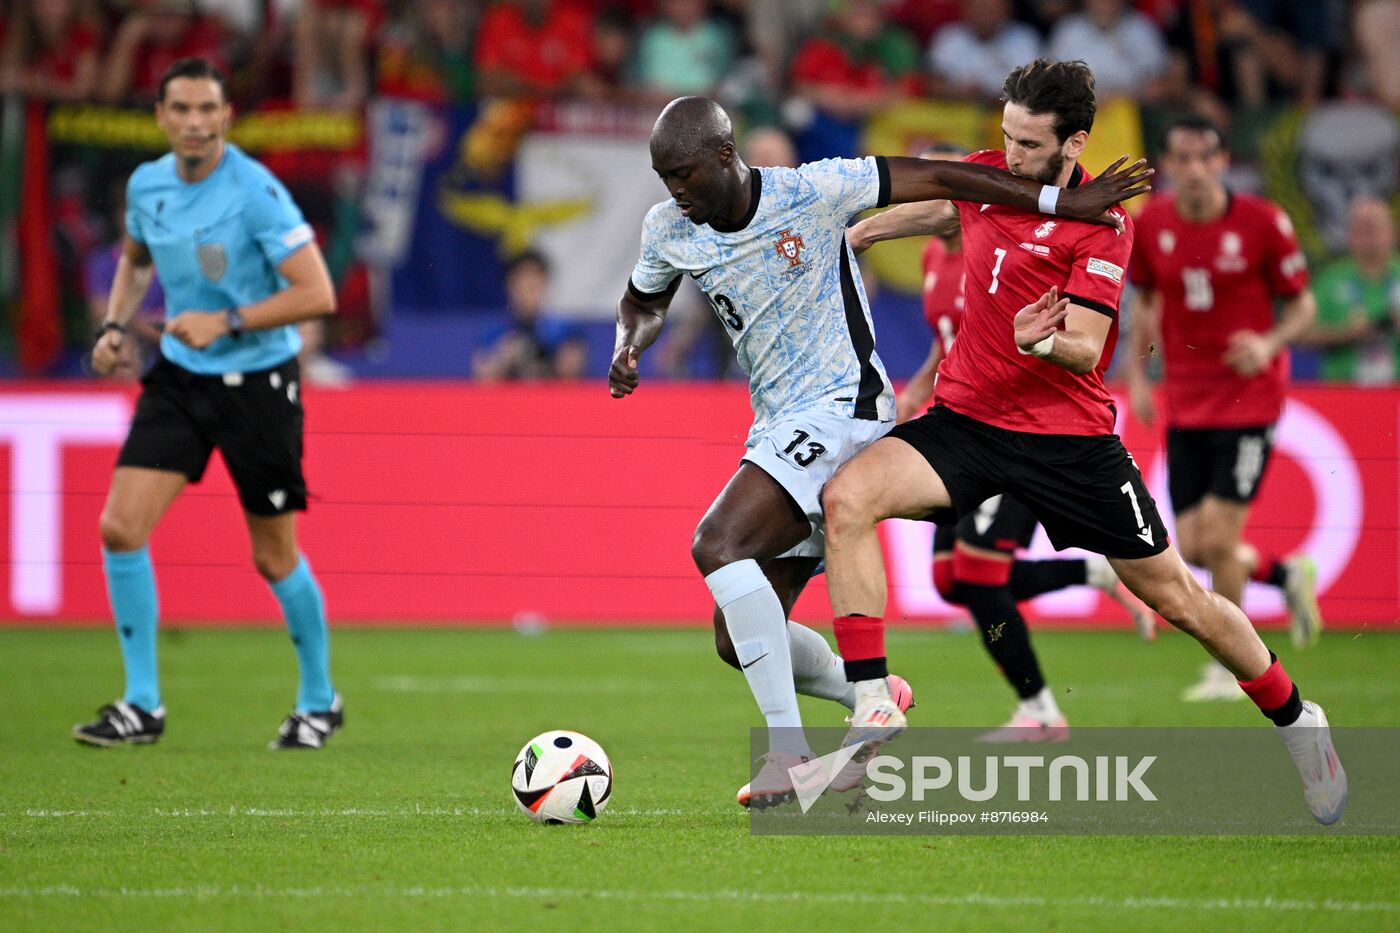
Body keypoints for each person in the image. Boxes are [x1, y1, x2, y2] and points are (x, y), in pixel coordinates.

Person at [819, 60, 1345, 826]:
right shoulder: (993, 173)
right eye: (1004, 135)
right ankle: (871, 704)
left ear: (1075, 144)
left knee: (1184, 601)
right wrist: (860, 231)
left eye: (1028, 144)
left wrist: (1043, 342)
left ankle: (1301, 722)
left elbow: (1087, 342)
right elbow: (945, 208)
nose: (1010, 154)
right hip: (967, 423)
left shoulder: (1105, 224)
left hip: (1068, 442)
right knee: (846, 497)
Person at [610, 94, 1150, 808]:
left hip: (845, 407)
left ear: (722, 156)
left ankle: (786, 751)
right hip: (778, 426)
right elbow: (644, 300)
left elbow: (948, 178)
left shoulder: (813, 190)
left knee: (718, 545)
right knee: (737, 636)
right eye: (663, 178)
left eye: (683, 174)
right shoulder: (668, 228)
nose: (674, 191)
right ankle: (871, 694)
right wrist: (629, 345)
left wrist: (1063, 202)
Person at [73, 58, 343, 751]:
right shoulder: (147, 185)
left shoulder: (255, 191)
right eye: (181, 110)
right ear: (161, 117)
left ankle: (319, 698)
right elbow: (135, 260)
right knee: (119, 527)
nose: (194, 122)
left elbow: (318, 293)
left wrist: (226, 321)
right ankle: (142, 703)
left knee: (273, 555)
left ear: (225, 117)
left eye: (207, 110)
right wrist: (112, 325)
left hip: (259, 381)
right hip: (183, 378)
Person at [847, 142, 1152, 744]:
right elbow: (952, 339)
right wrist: (917, 388)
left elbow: (1064, 337)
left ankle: (1040, 709)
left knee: (980, 574)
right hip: (958, 416)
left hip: (1027, 427)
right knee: (948, 580)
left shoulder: (1010, 250)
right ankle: (1092, 580)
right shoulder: (938, 255)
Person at [1124, 115, 1321, 704]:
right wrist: (1138, 375)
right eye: (1180, 159)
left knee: (1218, 533)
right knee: (1194, 546)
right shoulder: (1152, 223)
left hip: (1249, 399)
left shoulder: (1263, 223)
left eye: (1203, 157)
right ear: (1169, 166)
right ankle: (1285, 575)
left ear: (1222, 161)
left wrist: (1267, 342)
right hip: (1186, 398)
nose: (1192, 170)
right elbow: (1149, 303)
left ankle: (1233, 668)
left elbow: (1304, 306)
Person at [1302, 197, 1400, 384]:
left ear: (1393, 232)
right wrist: (1349, 333)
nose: (1370, 237)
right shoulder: (1329, 279)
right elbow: (1305, 337)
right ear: (1350, 234)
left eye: (1376, 228)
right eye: (1362, 229)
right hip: (1344, 392)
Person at [472, 249, 586, 381]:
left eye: (534, 283)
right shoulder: (494, 330)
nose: (528, 290)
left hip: (551, 398)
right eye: (522, 283)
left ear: (545, 284)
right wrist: (506, 355)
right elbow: (483, 378)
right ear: (510, 285)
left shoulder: (564, 329)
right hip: (509, 399)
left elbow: (572, 377)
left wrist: (546, 349)